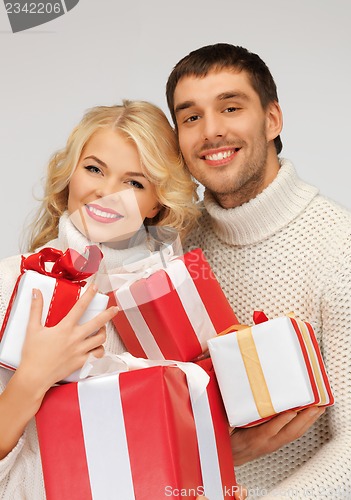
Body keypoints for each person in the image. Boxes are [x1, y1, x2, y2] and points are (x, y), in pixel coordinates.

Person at [166, 43, 351, 498]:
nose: (211, 131)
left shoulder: (349, 247)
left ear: (273, 119)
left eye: (231, 107)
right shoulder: (176, 244)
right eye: (191, 117)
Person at [0, 99, 202, 498]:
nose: (107, 193)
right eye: (94, 169)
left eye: (134, 182)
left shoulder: (172, 301)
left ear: (156, 203)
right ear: (70, 174)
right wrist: (33, 378)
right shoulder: (10, 281)